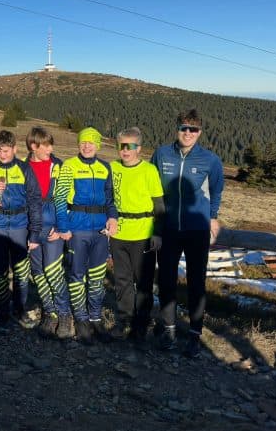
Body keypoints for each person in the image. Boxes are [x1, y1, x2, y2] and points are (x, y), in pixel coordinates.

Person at [151, 109, 224, 358]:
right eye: (184, 128)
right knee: (166, 280)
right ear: (177, 129)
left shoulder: (210, 160)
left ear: (199, 132)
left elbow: (216, 190)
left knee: (196, 283)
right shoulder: (162, 154)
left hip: (197, 229)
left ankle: (194, 334)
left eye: (193, 129)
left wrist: (212, 216)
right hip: (169, 228)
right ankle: (169, 329)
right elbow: (153, 188)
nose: (188, 133)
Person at [54, 127, 118, 344]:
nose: (87, 146)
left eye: (91, 142)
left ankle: (96, 318)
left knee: (97, 276)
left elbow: (110, 199)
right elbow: (60, 198)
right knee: (77, 275)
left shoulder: (105, 167)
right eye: (83, 142)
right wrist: (63, 227)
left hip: (100, 230)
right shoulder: (69, 165)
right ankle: (81, 320)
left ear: (98, 145)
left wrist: (113, 217)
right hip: (77, 227)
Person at [0, 130, 42, 331]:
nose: (2, 155)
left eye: (6, 151)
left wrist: (34, 232)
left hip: (19, 225)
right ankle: (3, 314)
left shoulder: (25, 169)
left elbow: (35, 201)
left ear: (14, 149)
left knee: (21, 272)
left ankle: (19, 310)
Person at [109, 127, 165, 344]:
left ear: (139, 149)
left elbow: (159, 205)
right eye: (121, 146)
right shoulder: (113, 168)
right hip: (119, 233)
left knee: (143, 282)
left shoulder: (149, 170)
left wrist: (157, 233)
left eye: (130, 146)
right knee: (122, 280)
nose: (125, 150)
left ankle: (141, 323)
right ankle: (124, 320)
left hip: (143, 233)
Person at [25, 127, 72, 340]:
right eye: (46, 145)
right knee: (38, 272)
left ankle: (64, 314)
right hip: (32, 227)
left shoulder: (59, 166)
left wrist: (61, 227)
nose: (50, 149)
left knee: (53, 271)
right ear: (33, 146)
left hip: (53, 225)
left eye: (51, 145)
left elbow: (63, 199)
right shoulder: (23, 167)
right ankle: (50, 313)